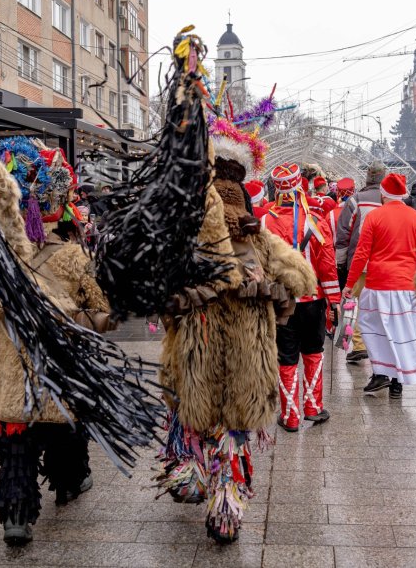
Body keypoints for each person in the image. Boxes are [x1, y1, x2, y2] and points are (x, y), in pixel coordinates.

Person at [157, 132, 315, 543]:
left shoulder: (189, 242)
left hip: (197, 356)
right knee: (233, 435)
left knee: (196, 421)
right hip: (247, 359)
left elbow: (159, 290)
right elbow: (301, 277)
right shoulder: (261, 241)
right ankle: (225, 511)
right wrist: (275, 294)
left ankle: (192, 477)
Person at [0, 139, 107, 545]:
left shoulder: (0, 252)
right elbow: (102, 309)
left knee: (15, 432)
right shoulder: (73, 254)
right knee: (62, 424)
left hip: (10, 364)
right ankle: (70, 480)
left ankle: (17, 514)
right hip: (59, 362)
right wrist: (82, 318)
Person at [263, 163, 340, 432]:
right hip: (314, 299)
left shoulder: (264, 222)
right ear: (300, 187)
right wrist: (334, 300)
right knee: (313, 352)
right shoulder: (316, 221)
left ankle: (291, 416)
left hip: (281, 302)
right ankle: (313, 407)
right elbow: (328, 265)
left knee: (286, 358)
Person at [346, 173, 416, 398]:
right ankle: (397, 382)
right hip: (406, 286)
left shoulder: (375, 217)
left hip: (378, 284)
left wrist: (350, 283)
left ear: (383, 194)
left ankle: (381, 373)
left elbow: (361, 253)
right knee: (402, 332)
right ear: (403, 195)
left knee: (373, 330)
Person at [335, 162, 385, 362]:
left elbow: (344, 232)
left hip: (360, 262)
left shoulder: (356, 200)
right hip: (384, 263)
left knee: (356, 303)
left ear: (367, 178)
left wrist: (341, 262)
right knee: (382, 305)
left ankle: (359, 344)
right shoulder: (389, 200)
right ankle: (381, 346)